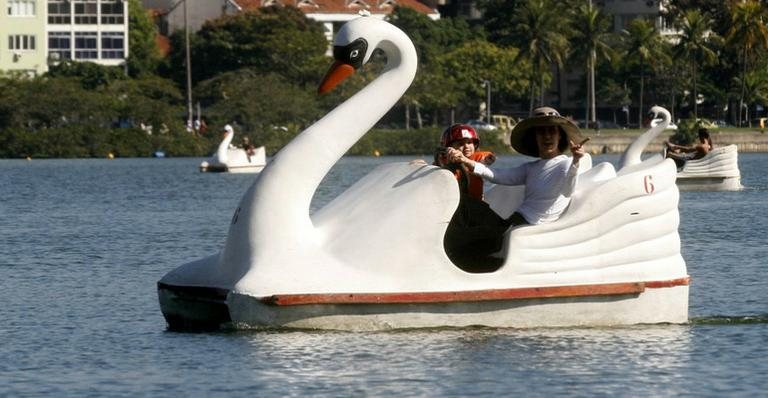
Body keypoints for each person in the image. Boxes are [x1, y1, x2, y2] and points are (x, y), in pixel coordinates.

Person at [446, 106, 587, 227]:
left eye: (552, 131)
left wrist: (575, 161)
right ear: (535, 137)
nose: (547, 136)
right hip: (518, 221)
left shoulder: (567, 163)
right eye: (541, 132)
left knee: (479, 217)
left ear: (559, 136)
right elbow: (498, 175)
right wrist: (466, 161)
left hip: (532, 226)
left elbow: (568, 191)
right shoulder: (530, 168)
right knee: (471, 213)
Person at [435, 124, 496, 201]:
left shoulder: (476, 159)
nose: (466, 146)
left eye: (469, 142)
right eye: (461, 144)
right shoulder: (441, 162)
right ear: (449, 147)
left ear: (475, 145)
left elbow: (488, 157)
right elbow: (432, 170)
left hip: (475, 204)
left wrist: (489, 158)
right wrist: (420, 164)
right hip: (450, 204)